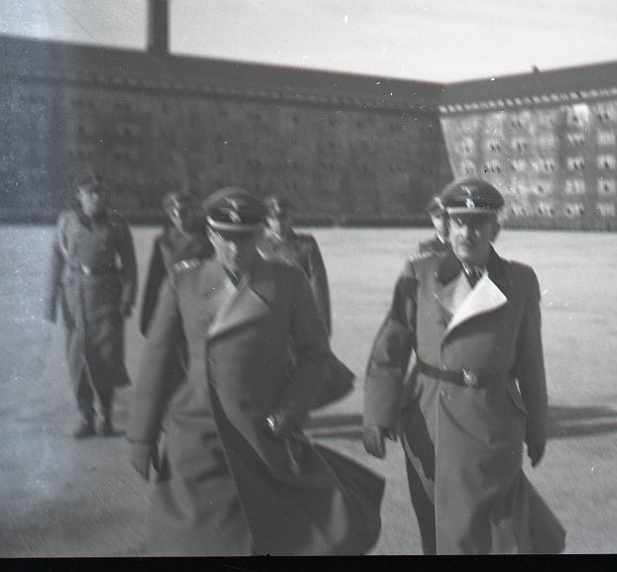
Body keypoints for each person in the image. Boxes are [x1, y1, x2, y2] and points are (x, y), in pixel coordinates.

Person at [127, 187, 384, 555]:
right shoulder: (187, 281)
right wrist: (142, 436)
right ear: (211, 235)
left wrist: (289, 412)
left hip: (262, 433)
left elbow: (315, 355)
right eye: (226, 238)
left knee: (274, 533)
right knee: (194, 539)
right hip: (196, 434)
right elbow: (158, 356)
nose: (235, 249)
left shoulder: (287, 281)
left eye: (245, 238)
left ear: (261, 234)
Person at [362, 177, 566, 554]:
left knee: (497, 531)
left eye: (477, 224)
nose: (466, 233)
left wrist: (538, 426)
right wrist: (377, 413)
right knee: (439, 528)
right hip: (430, 418)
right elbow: (390, 349)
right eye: (458, 222)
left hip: (494, 421)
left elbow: (531, 362)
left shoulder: (520, 280)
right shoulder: (420, 274)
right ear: (448, 225)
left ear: (495, 230)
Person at [44, 173, 137, 438]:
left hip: (107, 297)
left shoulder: (117, 223)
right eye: (90, 193)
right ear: (79, 196)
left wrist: (127, 298)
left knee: (107, 357)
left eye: (100, 193)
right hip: (74, 297)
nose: (96, 198)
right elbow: (55, 262)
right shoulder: (66, 221)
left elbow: (129, 265)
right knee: (78, 359)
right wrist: (50, 303)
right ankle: (86, 418)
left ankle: (106, 419)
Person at [138, 190, 213, 336]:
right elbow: (153, 282)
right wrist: (147, 318)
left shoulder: (209, 240)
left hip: (202, 307)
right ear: (170, 215)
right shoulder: (164, 243)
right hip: (173, 306)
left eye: (187, 212)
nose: (181, 218)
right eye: (176, 213)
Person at [257, 194, 331, 334]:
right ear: (267, 219)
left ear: (291, 216)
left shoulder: (306, 245)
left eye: (283, 217)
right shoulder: (259, 245)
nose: (278, 223)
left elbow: (318, 284)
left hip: (297, 315)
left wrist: (322, 325)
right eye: (273, 218)